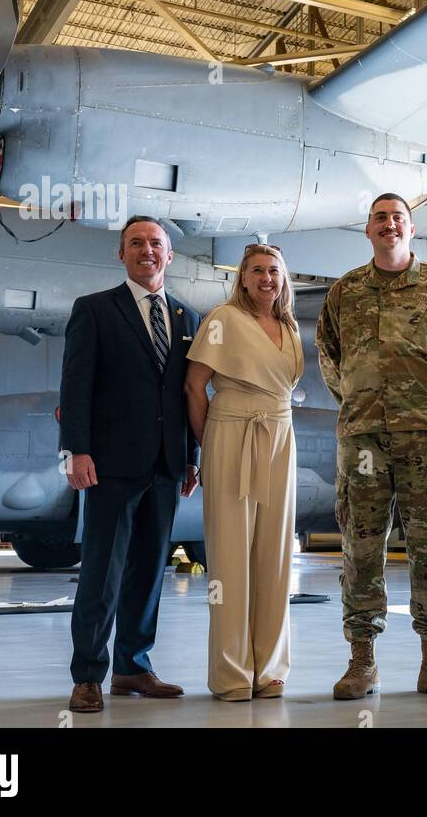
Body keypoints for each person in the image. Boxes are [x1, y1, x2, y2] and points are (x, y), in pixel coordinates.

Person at [315, 193, 427, 700]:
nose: (389, 225)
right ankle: (362, 660)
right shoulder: (346, 291)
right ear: (367, 231)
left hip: (426, 436)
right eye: (380, 218)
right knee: (362, 548)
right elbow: (329, 354)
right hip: (362, 438)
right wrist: (360, 402)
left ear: (412, 228)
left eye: (398, 218)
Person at [60, 216, 201, 713]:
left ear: (169, 255)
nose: (147, 250)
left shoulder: (187, 316)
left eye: (156, 243)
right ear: (120, 255)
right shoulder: (94, 310)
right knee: (102, 572)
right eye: (136, 243)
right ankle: (88, 676)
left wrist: (191, 458)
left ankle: (133, 668)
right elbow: (75, 387)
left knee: (149, 572)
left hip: (166, 464)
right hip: (110, 464)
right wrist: (75, 451)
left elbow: (190, 395)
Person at [185, 244, 304, 701]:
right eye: (257, 270)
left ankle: (270, 669)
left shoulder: (290, 327)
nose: (267, 278)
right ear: (243, 278)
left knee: (275, 557)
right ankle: (232, 674)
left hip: (279, 436)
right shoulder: (222, 319)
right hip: (232, 435)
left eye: (275, 270)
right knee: (230, 560)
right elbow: (195, 387)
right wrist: (210, 442)